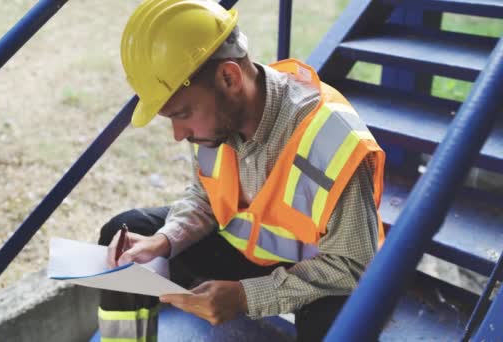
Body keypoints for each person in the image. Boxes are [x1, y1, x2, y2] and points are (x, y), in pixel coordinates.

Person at [97, 1, 386, 341]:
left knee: (341, 323)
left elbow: (353, 265)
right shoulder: (215, 116)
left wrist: (247, 296)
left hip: (317, 270)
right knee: (124, 234)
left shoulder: (332, 140)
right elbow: (205, 197)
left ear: (229, 77)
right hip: (243, 250)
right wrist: (165, 239)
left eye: (182, 114)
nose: (178, 135)